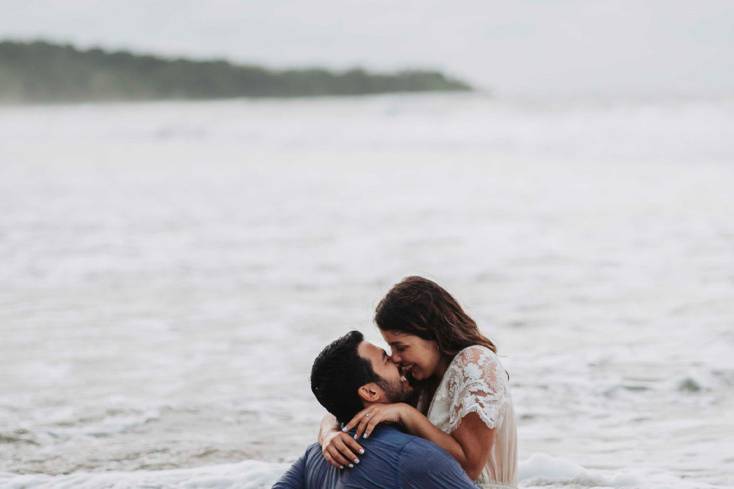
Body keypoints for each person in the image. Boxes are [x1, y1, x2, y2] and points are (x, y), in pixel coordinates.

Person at [319, 276, 518, 489]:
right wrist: (329, 434)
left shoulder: (475, 363)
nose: (394, 357)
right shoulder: (418, 378)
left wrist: (406, 413)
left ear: (434, 335)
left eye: (401, 347)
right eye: (390, 348)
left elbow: (469, 469)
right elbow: (350, 400)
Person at [273, 330, 477, 489]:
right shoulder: (415, 455)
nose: (397, 360)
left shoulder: (316, 455)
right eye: (386, 360)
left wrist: (329, 431)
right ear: (370, 392)